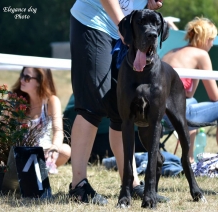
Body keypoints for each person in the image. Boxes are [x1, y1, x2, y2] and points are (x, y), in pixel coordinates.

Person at [69, 0, 168, 205]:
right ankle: (78, 184)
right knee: (92, 105)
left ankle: (130, 183)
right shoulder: (116, 24)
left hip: (124, 29)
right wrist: (123, 27)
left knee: (122, 110)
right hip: (94, 23)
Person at [162, 17, 218, 164]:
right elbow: (215, 96)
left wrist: (197, 74)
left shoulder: (172, 52)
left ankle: (189, 158)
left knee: (192, 101)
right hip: (178, 114)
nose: (212, 44)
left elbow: (188, 95)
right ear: (205, 39)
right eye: (211, 39)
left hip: (161, 113)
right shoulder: (201, 55)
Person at [12, 67, 71, 174]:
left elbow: (58, 131)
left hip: (43, 152)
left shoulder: (51, 101)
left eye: (27, 78)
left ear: (40, 82)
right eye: (22, 75)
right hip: (18, 151)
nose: (21, 80)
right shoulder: (16, 100)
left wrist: (54, 148)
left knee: (65, 150)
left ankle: (42, 169)